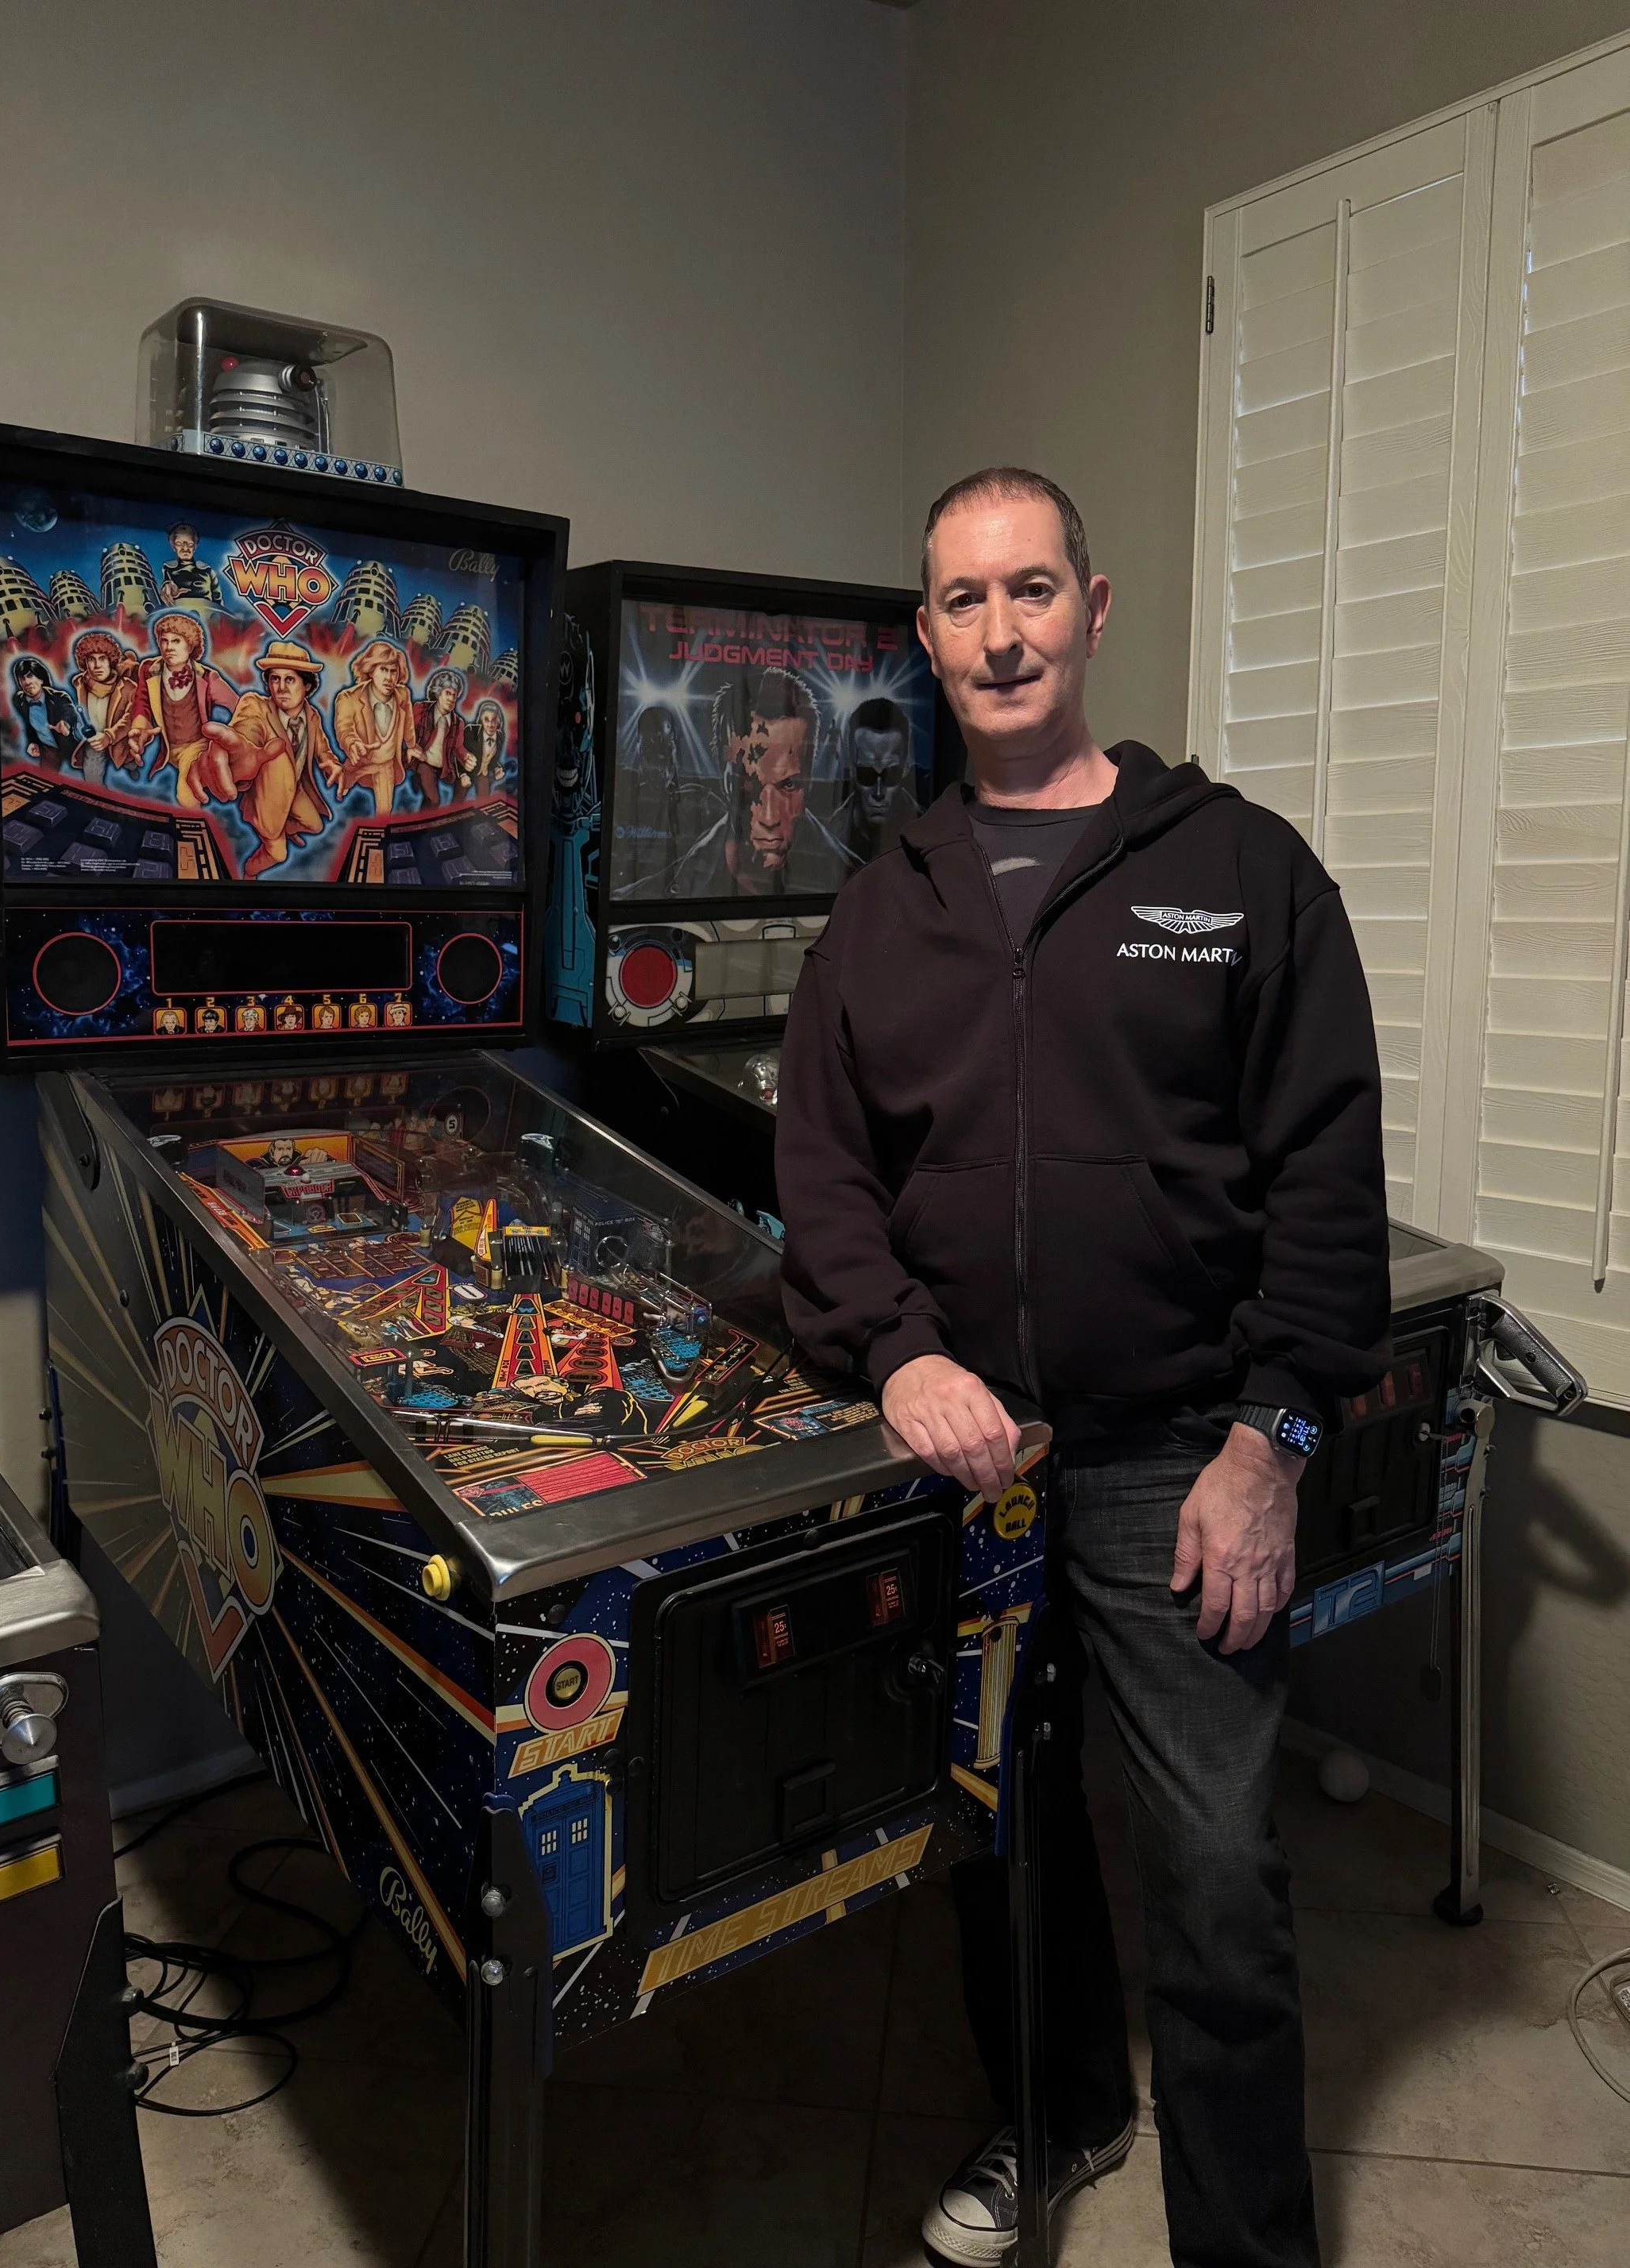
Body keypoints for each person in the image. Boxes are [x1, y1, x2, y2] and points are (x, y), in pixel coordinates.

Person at [774, 467, 1389, 2268]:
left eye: (1030, 589)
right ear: (926, 637)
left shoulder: (1240, 872)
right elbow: (819, 1169)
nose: (1002, 631)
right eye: (963, 602)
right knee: (999, 1842)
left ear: (1096, 609)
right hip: (966, 1463)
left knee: (1218, 1882)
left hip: (1177, 1461)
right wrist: (894, 1357)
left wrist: (1272, 1440)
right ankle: (1054, 2118)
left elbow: (1328, 1173)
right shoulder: (881, 908)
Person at [664, 666, 853, 895]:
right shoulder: (672, 889)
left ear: (809, 781)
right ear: (724, 781)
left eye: (789, 785)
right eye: (749, 785)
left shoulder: (861, 884)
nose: (770, 817)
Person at [223, 640, 338, 878]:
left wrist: (331, 764)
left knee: (315, 825)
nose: (281, 688)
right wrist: (241, 749)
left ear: (307, 685)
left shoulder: (312, 715)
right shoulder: (255, 706)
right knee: (278, 855)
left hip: (295, 790)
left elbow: (323, 751)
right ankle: (249, 873)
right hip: (265, 799)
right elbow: (245, 730)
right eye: (275, 679)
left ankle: (283, 828)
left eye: (290, 679)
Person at [129, 613, 241, 808]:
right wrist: (140, 727)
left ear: (190, 646)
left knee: (186, 795)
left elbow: (240, 707)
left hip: (195, 746)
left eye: (176, 641)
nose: (168, 647)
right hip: (167, 749)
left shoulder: (207, 678)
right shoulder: (148, 669)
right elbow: (142, 701)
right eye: (164, 641)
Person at [827, 696, 919, 864]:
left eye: (891, 775)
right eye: (867, 774)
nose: (878, 793)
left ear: (906, 768)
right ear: (853, 770)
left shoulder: (926, 830)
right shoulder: (830, 835)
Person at [332, 640, 418, 817]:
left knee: (384, 814)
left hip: (386, 763)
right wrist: (352, 743)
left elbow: (408, 721)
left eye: (393, 671)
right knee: (339, 790)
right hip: (360, 762)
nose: (389, 678)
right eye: (383, 670)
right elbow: (344, 727)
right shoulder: (349, 698)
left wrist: (411, 744)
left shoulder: (403, 694)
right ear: (371, 670)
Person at [68, 631, 141, 785]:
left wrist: (109, 736)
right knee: (92, 782)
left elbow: (130, 717)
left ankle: (131, 767)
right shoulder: (80, 682)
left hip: (118, 741)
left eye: (102, 659)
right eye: (91, 660)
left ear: (110, 661)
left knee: (128, 761)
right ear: (85, 663)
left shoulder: (128, 688)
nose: (97, 666)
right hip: (94, 741)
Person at [9, 656, 80, 769]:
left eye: (30, 676)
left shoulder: (59, 697)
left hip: (70, 747)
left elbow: (70, 712)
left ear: (41, 679)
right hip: (48, 750)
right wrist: (33, 743)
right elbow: (28, 725)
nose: (26, 682)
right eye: (22, 678)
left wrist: (65, 724)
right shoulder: (19, 701)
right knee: (46, 780)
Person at [411, 666, 469, 806]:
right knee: (434, 800)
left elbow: (458, 748)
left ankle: (454, 814)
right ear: (438, 694)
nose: (451, 699)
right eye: (448, 693)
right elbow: (406, 732)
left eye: (454, 695)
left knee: (464, 783)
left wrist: (466, 756)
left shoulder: (458, 722)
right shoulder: (421, 709)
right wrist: (411, 749)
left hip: (444, 767)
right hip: (424, 764)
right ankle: (423, 826)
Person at [157, 521, 223, 610]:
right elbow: (167, 585)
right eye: (179, 544)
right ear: (173, 546)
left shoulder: (208, 571)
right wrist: (167, 588)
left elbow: (218, 602)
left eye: (190, 544)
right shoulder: (169, 569)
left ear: (195, 546)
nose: (185, 548)